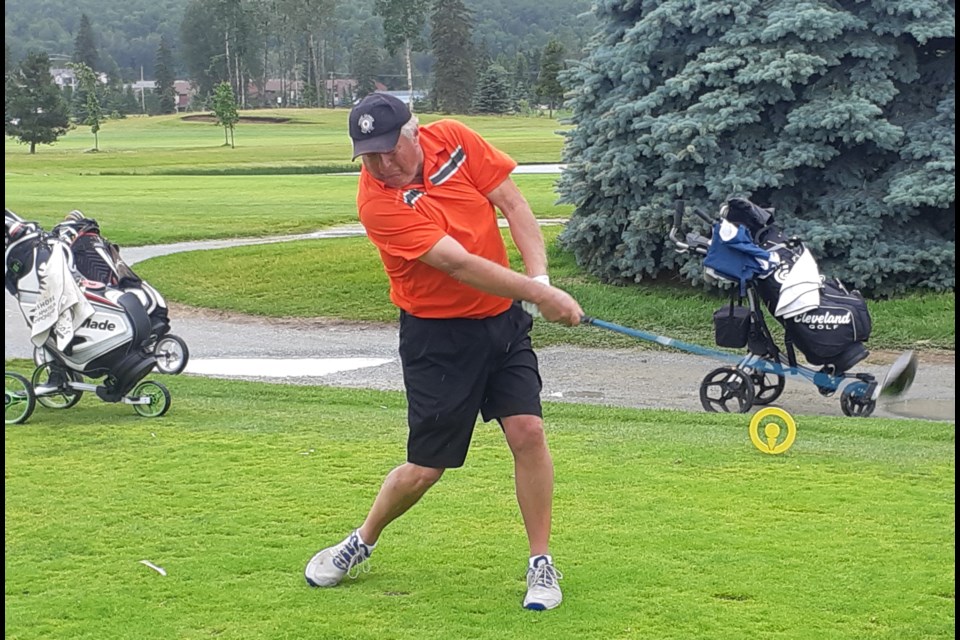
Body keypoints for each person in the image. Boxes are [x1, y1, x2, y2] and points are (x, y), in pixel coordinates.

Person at [304, 92, 584, 611]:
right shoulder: (377, 204)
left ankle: (540, 562)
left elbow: (515, 204)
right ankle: (361, 540)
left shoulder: (453, 138)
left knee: (529, 431)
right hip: (438, 338)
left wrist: (539, 278)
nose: (383, 164)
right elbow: (456, 264)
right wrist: (541, 295)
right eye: (369, 155)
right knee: (425, 469)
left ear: (416, 132)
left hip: (502, 322)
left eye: (390, 149)